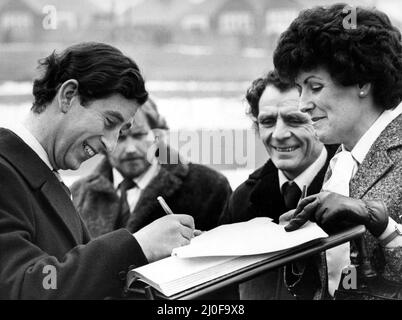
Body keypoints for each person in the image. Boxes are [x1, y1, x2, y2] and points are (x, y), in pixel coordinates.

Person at [0, 42, 196, 299]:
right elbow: (27, 287)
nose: (111, 144)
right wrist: (138, 245)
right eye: (109, 122)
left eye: (122, 131)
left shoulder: (42, 176)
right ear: (68, 95)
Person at [274, 4, 402, 299]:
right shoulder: (341, 162)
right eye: (299, 89)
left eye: (314, 87)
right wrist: (298, 247)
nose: (302, 103)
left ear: (362, 82)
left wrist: (384, 227)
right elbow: (340, 283)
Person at [219, 70, 338, 299]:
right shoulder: (243, 198)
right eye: (267, 121)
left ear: (319, 119)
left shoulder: (350, 182)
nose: (279, 134)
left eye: (294, 119)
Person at [71, 97, 232, 237]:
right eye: (120, 137)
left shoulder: (209, 187)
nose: (130, 149)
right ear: (102, 140)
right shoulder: (79, 194)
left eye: (139, 135)